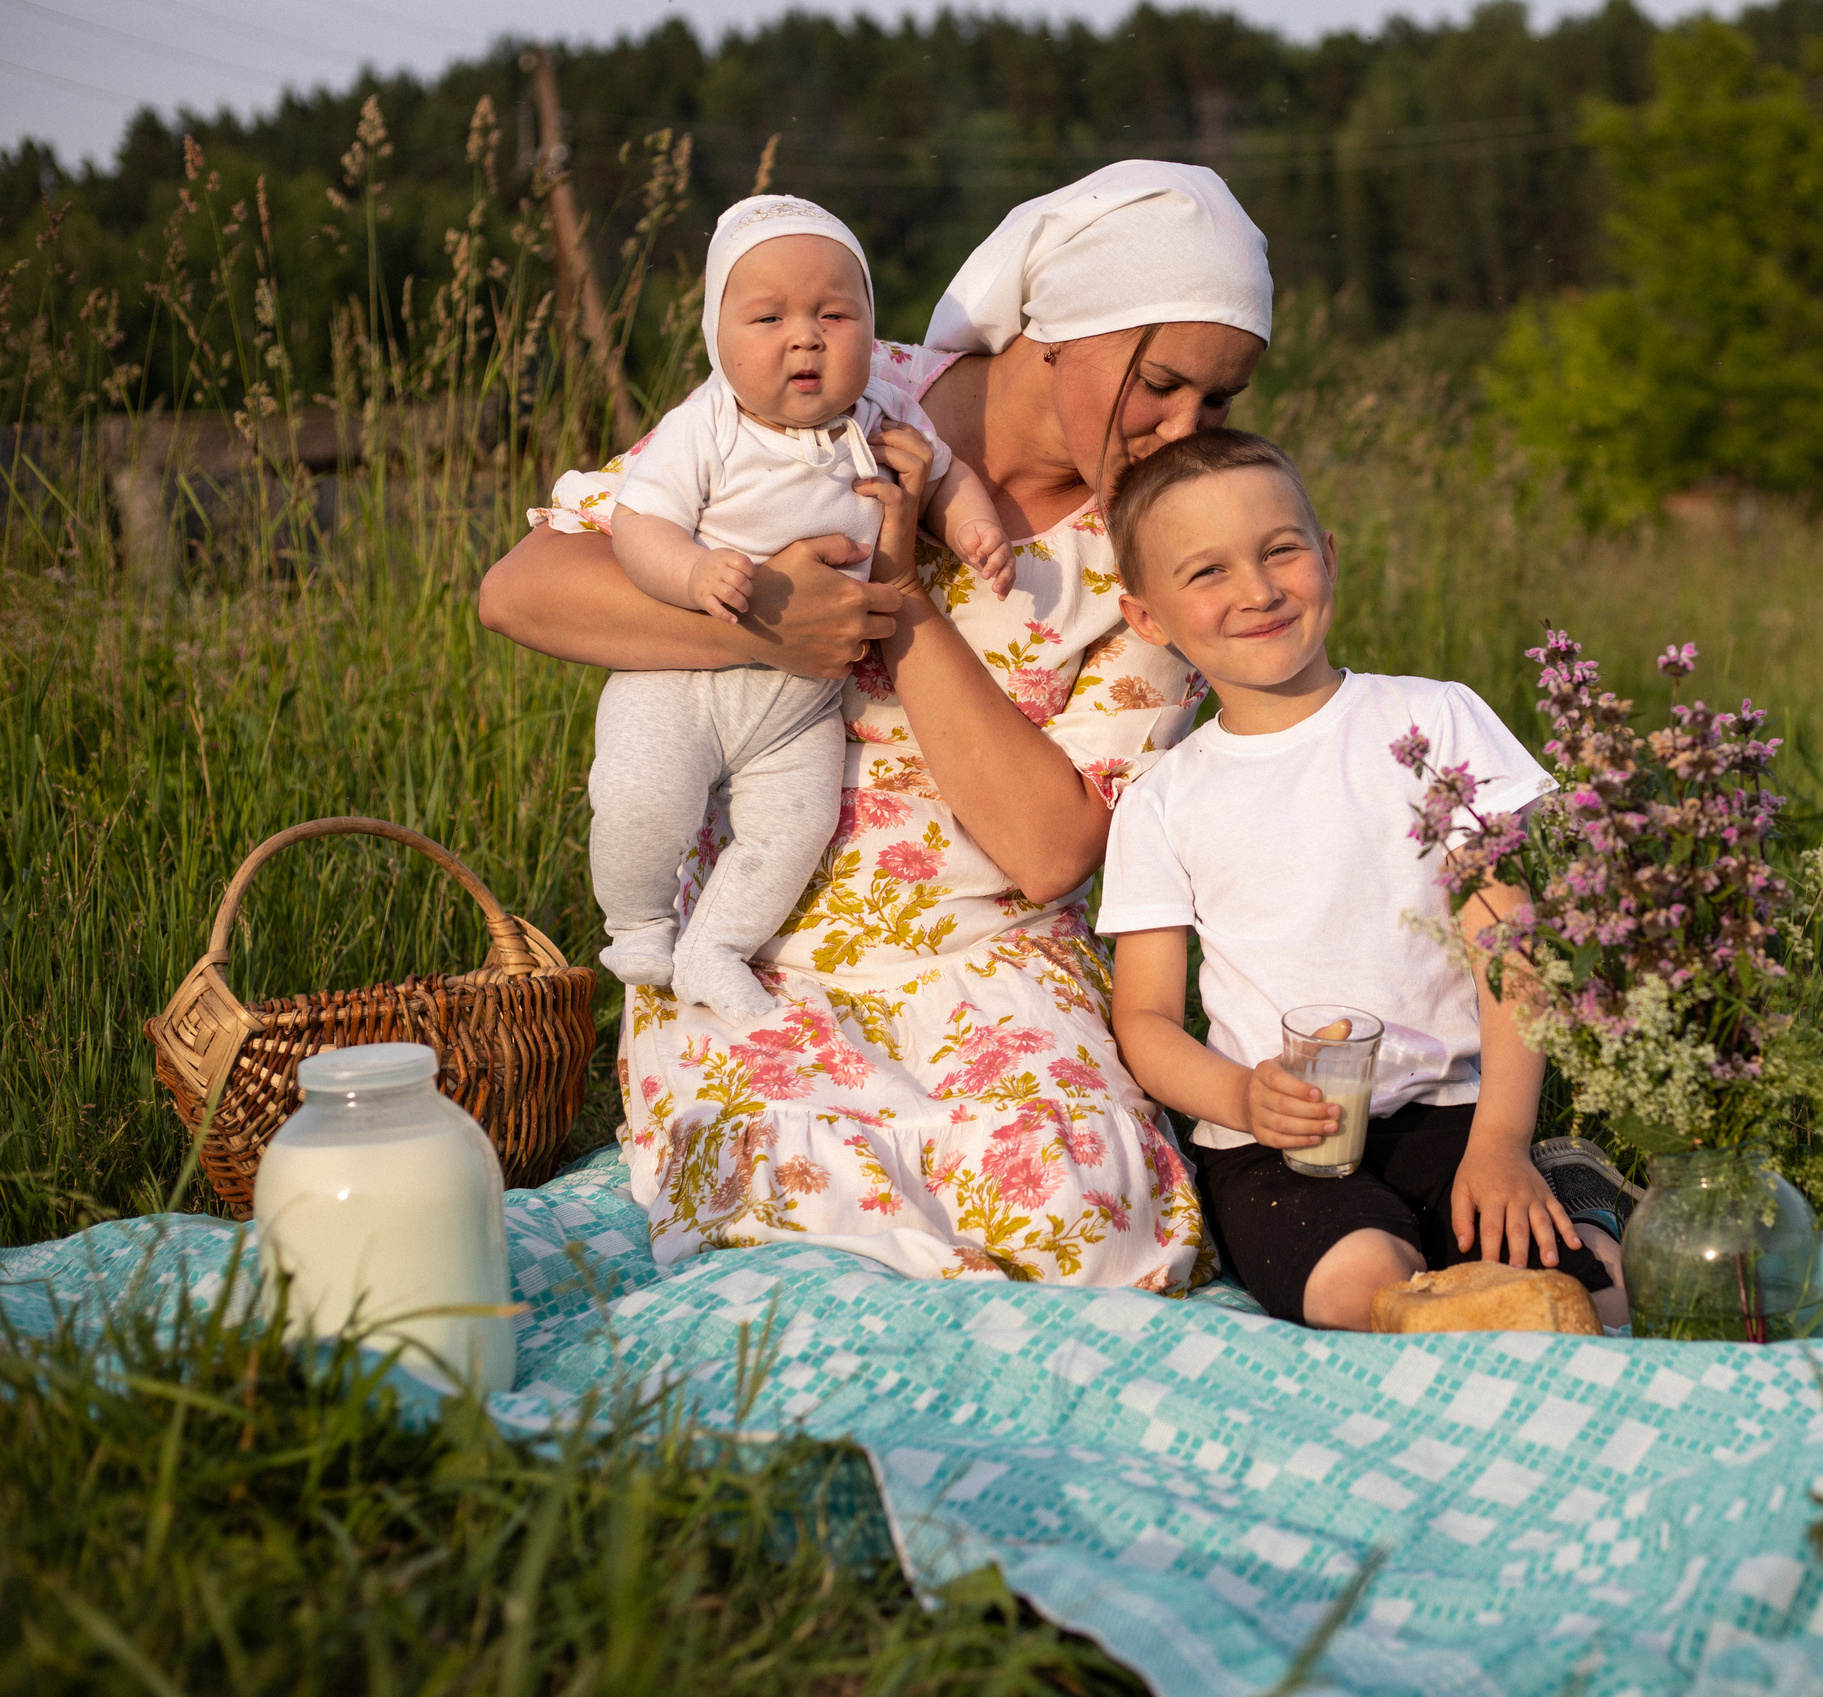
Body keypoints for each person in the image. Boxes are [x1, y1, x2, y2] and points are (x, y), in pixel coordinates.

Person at [479, 161, 1270, 1288]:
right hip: (755, 941)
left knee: (1089, 1219)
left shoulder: (1165, 538)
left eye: (1218, 403)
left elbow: (1053, 851)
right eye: (1166, 385)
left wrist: (899, 612)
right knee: (805, 1211)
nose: (1184, 429)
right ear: (1063, 330)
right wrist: (773, 627)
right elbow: (522, 589)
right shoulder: (834, 380)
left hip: (992, 956)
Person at [1096, 429, 1631, 1331]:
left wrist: (1500, 1142)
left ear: (1329, 556)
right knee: (1360, 1283)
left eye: (1281, 550)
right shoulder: (1162, 797)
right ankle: (1461, 1275)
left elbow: (1510, 939)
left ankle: (1559, 1174)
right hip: (1277, 1141)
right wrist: (1241, 1098)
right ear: (1147, 617)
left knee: (1604, 1294)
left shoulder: (1434, 718)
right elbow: (1144, 1019)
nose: (1259, 591)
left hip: (1454, 1111)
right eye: (1208, 572)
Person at [586, 194, 1013, 1024]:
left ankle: (716, 946)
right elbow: (637, 524)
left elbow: (949, 475)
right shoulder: (704, 426)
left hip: (798, 709)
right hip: (679, 680)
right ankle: (636, 922)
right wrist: (694, 572)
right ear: (717, 337)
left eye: (833, 313)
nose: (805, 335)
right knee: (643, 795)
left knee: (796, 826)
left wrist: (973, 525)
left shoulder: (883, 412)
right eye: (768, 316)